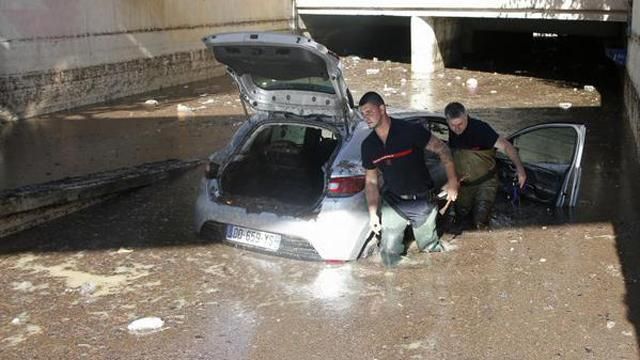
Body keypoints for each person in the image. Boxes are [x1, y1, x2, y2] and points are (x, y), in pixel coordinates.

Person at [360, 92, 459, 267]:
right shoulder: (368, 145)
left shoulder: (410, 131)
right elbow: (371, 182)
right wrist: (373, 213)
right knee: (389, 257)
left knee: (429, 250)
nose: (365, 117)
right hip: (394, 203)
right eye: (363, 113)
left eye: (369, 112)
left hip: (422, 200)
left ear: (382, 109)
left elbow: (442, 149)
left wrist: (452, 181)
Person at [444, 102, 526, 229]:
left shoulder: (481, 129)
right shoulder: (452, 130)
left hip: (486, 182)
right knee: (461, 216)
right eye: (453, 125)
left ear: (467, 116)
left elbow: (507, 146)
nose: (457, 129)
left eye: (460, 124)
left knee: (480, 220)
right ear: (447, 121)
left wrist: (520, 170)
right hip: (464, 183)